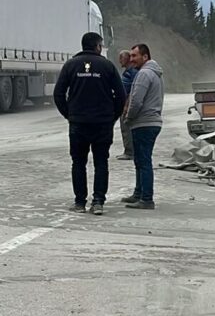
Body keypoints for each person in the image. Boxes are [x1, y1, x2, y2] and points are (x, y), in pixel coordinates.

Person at [53, 32, 125, 215]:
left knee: (78, 162)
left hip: (78, 123)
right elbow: (121, 95)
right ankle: (98, 202)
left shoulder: (70, 65)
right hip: (102, 123)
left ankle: (79, 202)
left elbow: (58, 93)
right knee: (101, 162)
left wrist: (69, 114)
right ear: (97, 46)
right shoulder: (107, 66)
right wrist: (112, 117)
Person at [122, 43, 164, 210]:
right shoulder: (155, 73)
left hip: (143, 123)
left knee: (143, 161)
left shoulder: (144, 74)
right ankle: (138, 193)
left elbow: (136, 100)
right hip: (152, 121)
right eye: (130, 56)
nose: (131, 59)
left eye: (134, 56)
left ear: (145, 57)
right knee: (140, 159)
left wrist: (128, 117)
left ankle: (146, 199)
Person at [117, 50, 138, 160]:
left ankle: (129, 152)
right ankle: (130, 151)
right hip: (125, 103)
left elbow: (133, 89)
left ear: (127, 58)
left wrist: (126, 106)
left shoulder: (132, 71)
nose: (119, 60)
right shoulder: (128, 71)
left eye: (121, 57)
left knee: (126, 128)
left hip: (128, 104)